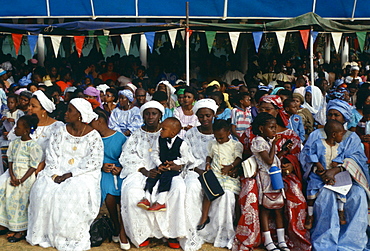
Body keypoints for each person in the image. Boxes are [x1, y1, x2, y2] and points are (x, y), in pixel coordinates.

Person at [26, 98, 104, 251]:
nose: (66, 113)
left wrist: (71, 174)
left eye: (70, 110)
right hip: (57, 170)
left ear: (80, 115)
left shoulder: (94, 136)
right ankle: (44, 234)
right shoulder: (60, 131)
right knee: (43, 188)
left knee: (73, 191)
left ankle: (68, 235)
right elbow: (52, 155)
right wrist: (55, 173)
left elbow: (93, 162)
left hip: (83, 174)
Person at [300, 99, 370, 251]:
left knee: (358, 196)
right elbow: (306, 156)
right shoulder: (315, 135)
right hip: (320, 179)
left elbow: (358, 159)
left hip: (348, 179)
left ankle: (350, 244)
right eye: (330, 114)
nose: (332, 117)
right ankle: (326, 244)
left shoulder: (352, 137)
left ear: (344, 118)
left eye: (336, 115)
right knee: (326, 196)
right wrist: (322, 172)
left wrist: (336, 170)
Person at [119, 101, 187, 249]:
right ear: (143, 116)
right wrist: (144, 170)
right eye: (147, 113)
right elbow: (127, 156)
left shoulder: (169, 131)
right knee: (131, 192)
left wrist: (171, 166)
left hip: (167, 171)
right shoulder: (136, 134)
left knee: (178, 188)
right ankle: (142, 233)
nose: (150, 117)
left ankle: (172, 233)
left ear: (160, 116)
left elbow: (183, 155)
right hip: (140, 171)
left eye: (154, 113)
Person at [198, 119, 243, 249]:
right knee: (208, 191)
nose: (219, 140)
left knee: (229, 194)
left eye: (222, 137)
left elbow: (238, 158)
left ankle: (231, 223)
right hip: (216, 173)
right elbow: (209, 156)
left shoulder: (235, 145)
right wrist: (207, 164)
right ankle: (204, 217)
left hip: (228, 175)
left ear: (229, 133)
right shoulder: (213, 144)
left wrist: (231, 166)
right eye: (217, 137)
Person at [90, 107, 130, 250]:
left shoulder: (119, 137)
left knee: (125, 195)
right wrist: (101, 166)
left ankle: (124, 230)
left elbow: (127, 157)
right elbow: (89, 158)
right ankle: (116, 225)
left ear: (100, 121)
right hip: (103, 173)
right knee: (109, 195)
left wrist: (119, 168)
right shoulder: (93, 138)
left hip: (120, 171)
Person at [182, 98, 218, 251]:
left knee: (224, 194)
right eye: (201, 116)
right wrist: (198, 170)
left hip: (216, 171)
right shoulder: (190, 134)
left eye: (208, 116)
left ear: (213, 115)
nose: (204, 119)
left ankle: (215, 232)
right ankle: (192, 229)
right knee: (191, 187)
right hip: (194, 171)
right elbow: (186, 155)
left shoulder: (220, 132)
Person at [250, 112, 289, 251]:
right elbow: (269, 160)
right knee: (266, 208)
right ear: (261, 128)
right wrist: (274, 145)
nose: (274, 130)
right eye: (271, 127)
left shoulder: (266, 141)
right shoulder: (259, 141)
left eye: (275, 127)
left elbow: (274, 158)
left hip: (275, 176)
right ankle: (268, 241)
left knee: (278, 207)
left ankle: (281, 240)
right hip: (266, 179)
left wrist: (282, 151)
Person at [137, 117, 193, 213]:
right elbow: (154, 153)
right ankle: (147, 198)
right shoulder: (159, 140)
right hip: (161, 165)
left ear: (173, 132)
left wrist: (175, 163)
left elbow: (186, 158)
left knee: (166, 178)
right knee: (153, 176)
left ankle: (161, 201)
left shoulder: (182, 144)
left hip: (173, 169)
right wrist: (159, 164)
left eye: (163, 129)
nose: (160, 131)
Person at [0, 115, 42, 242]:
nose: (14, 130)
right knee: (7, 197)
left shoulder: (33, 146)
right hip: (14, 175)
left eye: (17, 127)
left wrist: (21, 180)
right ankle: (7, 224)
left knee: (21, 201)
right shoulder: (14, 143)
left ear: (26, 130)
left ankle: (21, 229)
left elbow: (33, 166)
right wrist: (12, 176)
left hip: (26, 178)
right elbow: (11, 160)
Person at [305, 120, 346, 230]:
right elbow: (310, 154)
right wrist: (318, 164)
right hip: (318, 173)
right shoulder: (318, 143)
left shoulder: (340, 146)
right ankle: (310, 215)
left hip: (334, 174)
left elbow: (342, 156)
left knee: (342, 190)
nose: (342, 136)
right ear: (334, 134)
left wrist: (337, 162)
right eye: (341, 134)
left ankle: (340, 211)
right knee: (312, 190)